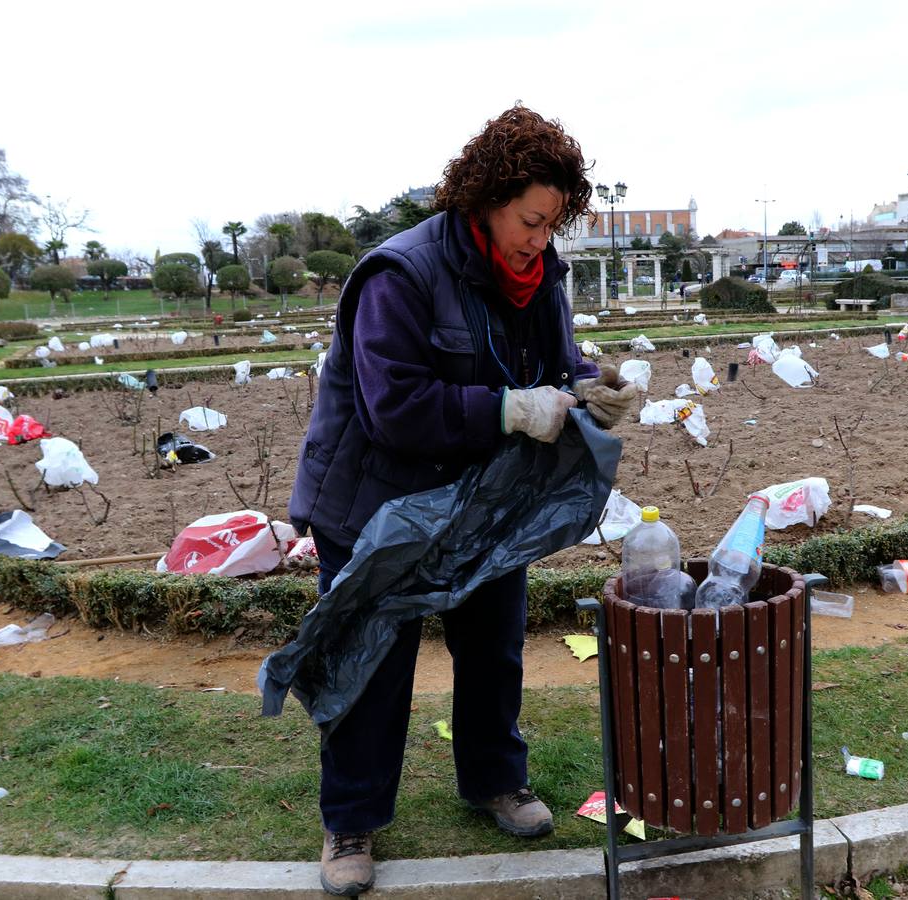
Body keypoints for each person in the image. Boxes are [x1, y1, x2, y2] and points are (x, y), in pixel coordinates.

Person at [288, 106, 637, 897]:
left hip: (478, 500)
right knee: (370, 662)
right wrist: (510, 410)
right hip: (375, 500)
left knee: (493, 643)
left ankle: (494, 781)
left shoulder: (540, 277)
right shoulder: (399, 275)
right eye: (530, 220)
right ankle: (351, 819)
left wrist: (589, 382)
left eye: (553, 225)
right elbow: (394, 408)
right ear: (486, 195)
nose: (539, 240)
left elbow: (555, 356)